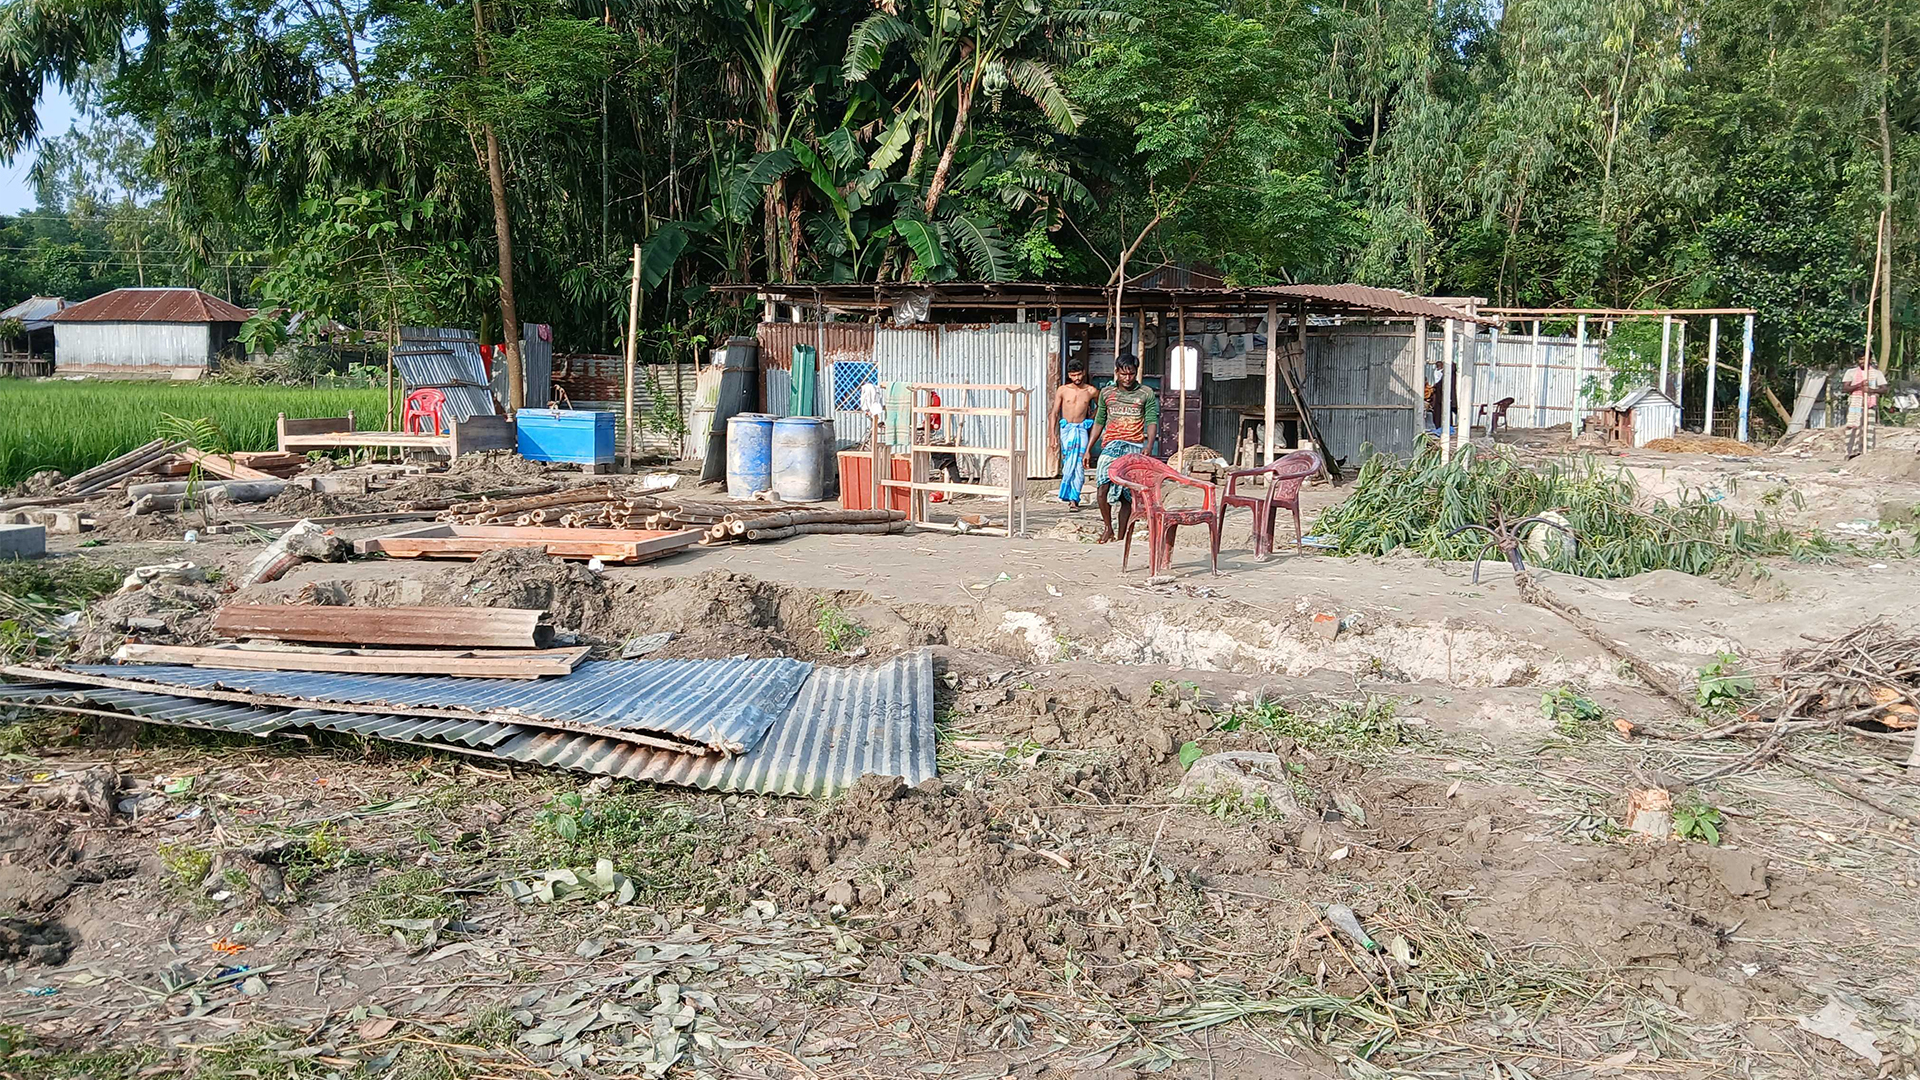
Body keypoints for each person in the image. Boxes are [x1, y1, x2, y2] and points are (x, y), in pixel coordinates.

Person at [1089, 353, 1158, 543]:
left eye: (1131, 374)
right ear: (1116, 373)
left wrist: (1149, 445)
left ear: (1136, 373)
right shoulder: (1106, 393)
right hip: (1111, 445)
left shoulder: (1146, 393)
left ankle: (1121, 536)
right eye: (1123, 374)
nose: (1127, 378)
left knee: (1127, 495)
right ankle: (1107, 528)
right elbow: (1099, 421)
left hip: (1134, 446)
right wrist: (1088, 448)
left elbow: (1152, 420)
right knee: (1102, 487)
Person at [1047, 358, 1099, 509]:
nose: (1076, 378)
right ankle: (1068, 494)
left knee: (1079, 463)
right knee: (1069, 462)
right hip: (1066, 430)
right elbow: (1054, 413)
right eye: (1073, 375)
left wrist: (1091, 418)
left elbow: (1102, 404)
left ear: (1083, 373)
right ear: (1069, 375)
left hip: (1081, 429)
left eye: (1079, 375)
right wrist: (1053, 435)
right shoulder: (1062, 390)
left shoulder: (1090, 390)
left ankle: (1074, 499)